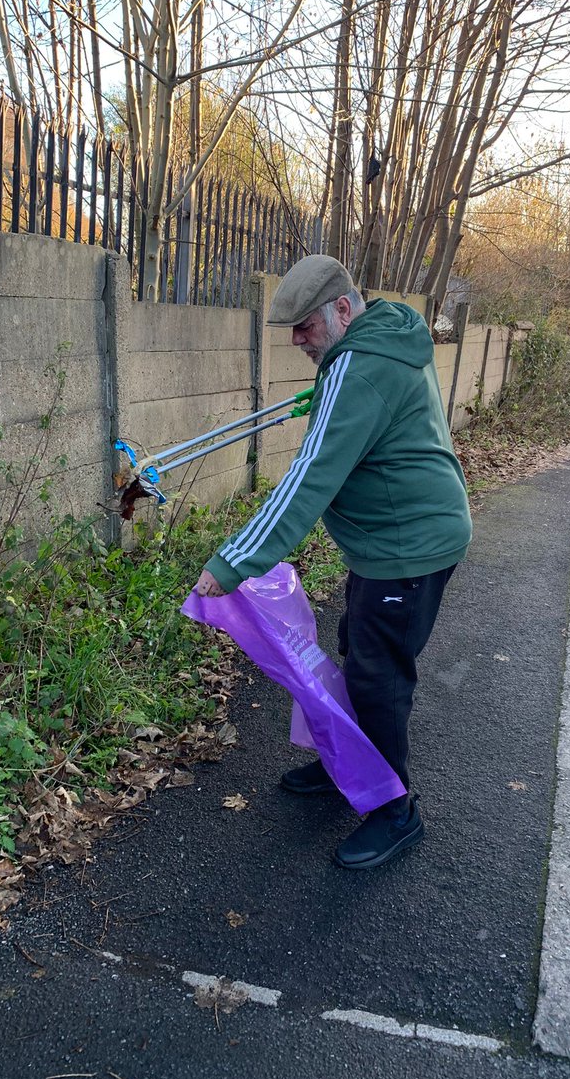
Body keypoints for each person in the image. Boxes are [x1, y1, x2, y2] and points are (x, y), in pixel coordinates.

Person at [195, 255, 472, 869]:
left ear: (343, 310)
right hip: (389, 539)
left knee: (379, 678)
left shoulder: (362, 367)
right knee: (356, 644)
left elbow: (308, 479)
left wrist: (233, 562)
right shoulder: (382, 341)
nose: (296, 341)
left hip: (410, 546)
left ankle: (395, 812)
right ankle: (349, 762)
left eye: (304, 327)